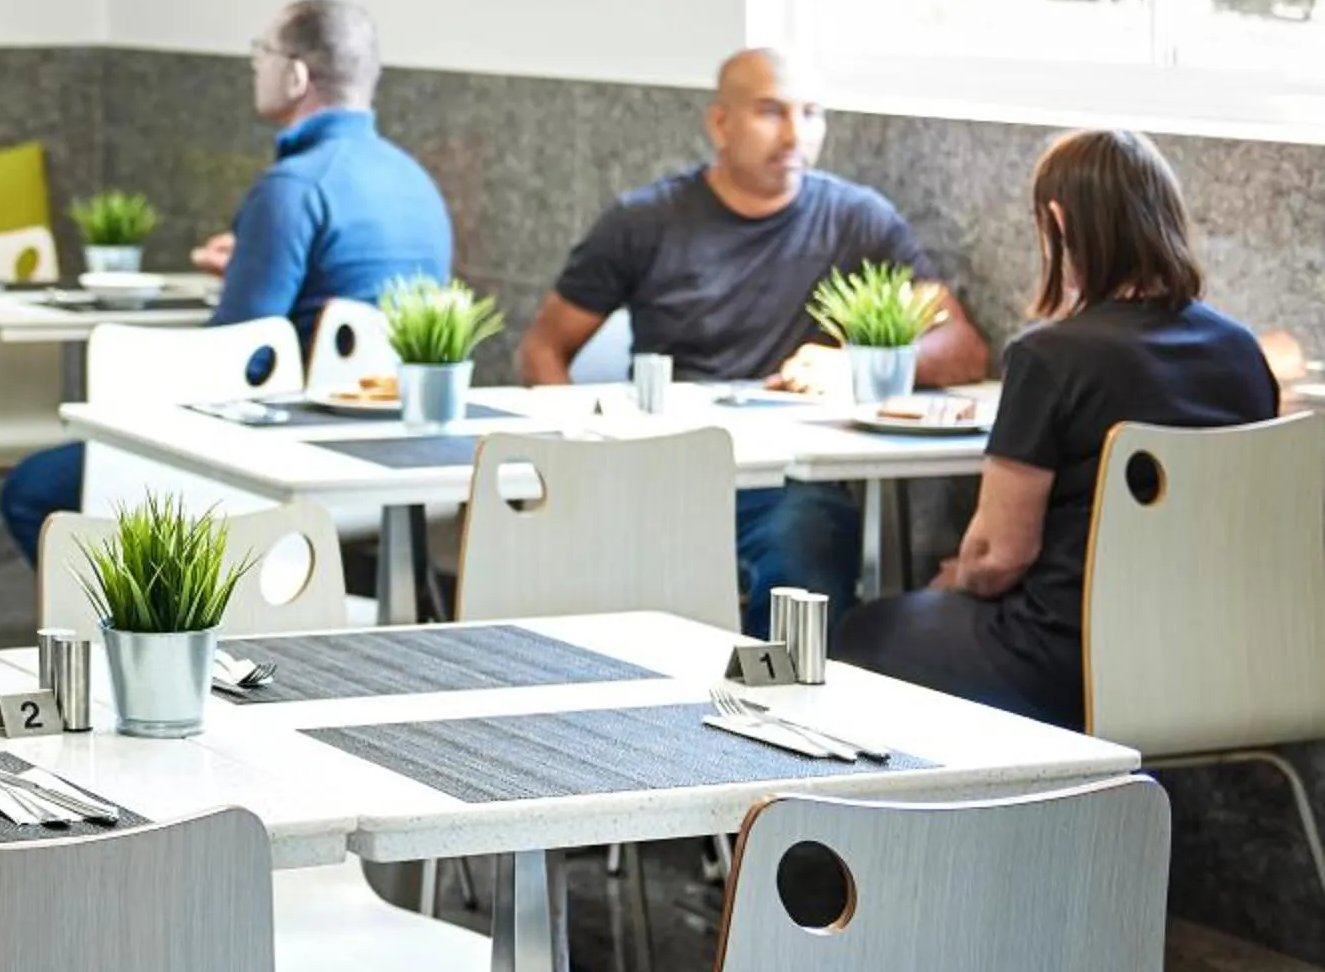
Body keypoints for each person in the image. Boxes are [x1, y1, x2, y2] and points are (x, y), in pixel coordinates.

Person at [515, 48, 989, 621]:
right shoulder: (643, 221)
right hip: (672, 468)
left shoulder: (859, 220)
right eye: (771, 112)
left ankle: (777, 702)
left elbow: (963, 349)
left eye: (811, 113)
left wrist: (856, 368)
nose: (795, 135)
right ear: (720, 124)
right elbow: (543, 347)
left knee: (808, 542)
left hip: (792, 482)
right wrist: (587, 458)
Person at [841, 130, 1277, 726]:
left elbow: (998, 558)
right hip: (1225, 661)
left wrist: (955, 576)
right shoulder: (1241, 353)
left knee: (862, 630)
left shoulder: (1050, 358)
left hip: (1062, 664)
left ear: (1058, 221)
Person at [0, 0, 452, 561]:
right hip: (392, 460)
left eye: (262, 52)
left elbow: (238, 359)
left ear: (296, 75)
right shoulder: (416, 182)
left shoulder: (292, 189)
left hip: (279, 454)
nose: (254, 66)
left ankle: (148, 629)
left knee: (31, 491)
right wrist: (251, 261)